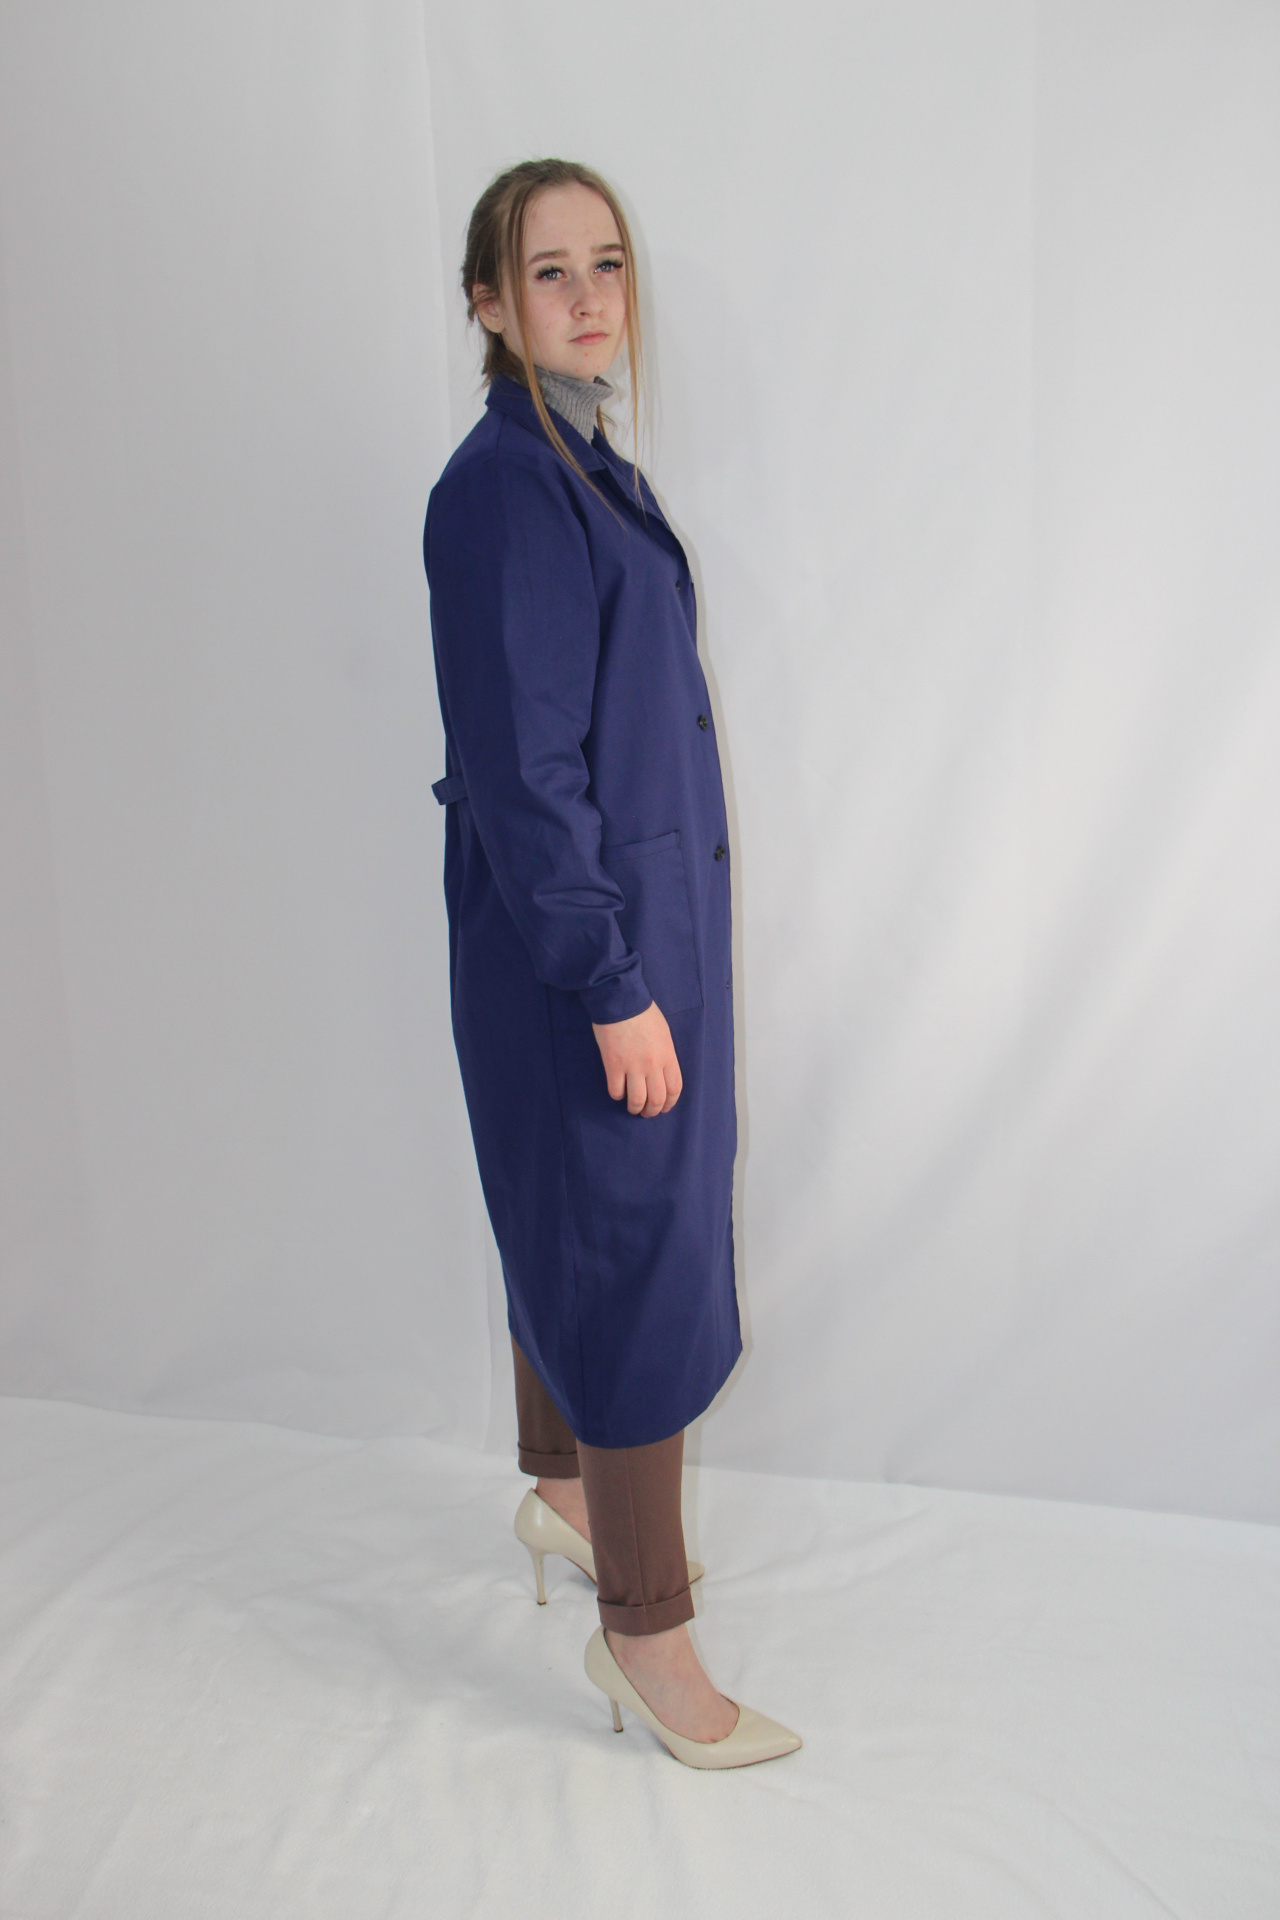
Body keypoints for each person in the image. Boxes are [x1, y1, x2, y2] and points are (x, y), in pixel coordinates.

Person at [423, 158, 799, 1769]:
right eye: (549, 271)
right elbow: (525, 774)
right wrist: (612, 983)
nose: (590, 298)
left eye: (609, 264)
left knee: (573, 1220)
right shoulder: (507, 490)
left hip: (611, 926)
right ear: (490, 304)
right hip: (578, 948)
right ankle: (646, 1637)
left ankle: (568, 1495)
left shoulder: (579, 462)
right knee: (627, 1250)